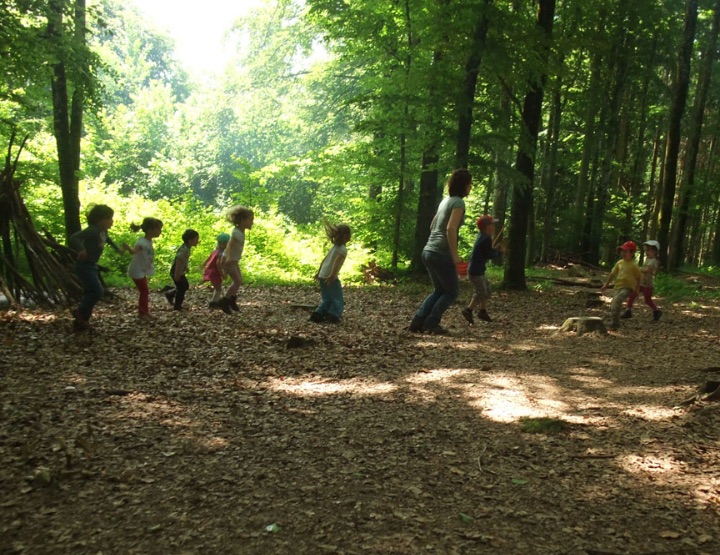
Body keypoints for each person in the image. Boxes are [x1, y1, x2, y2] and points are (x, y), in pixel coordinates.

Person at [409, 168, 472, 334]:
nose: (471, 187)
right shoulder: (458, 203)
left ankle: (418, 321)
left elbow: (432, 225)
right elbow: (451, 229)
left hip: (428, 250)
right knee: (451, 292)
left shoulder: (445, 201)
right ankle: (431, 322)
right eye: (470, 183)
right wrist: (455, 254)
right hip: (441, 253)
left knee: (439, 290)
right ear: (465, 185)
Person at [68, 204, 122, 331]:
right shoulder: (92, 230)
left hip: (91, 265)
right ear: (99, 220)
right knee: (97, 291)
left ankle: (81, 322)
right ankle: (79, 312)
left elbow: (107, 239)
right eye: (109, 218)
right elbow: (74, 237)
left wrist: (117, 248)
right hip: (84, 266)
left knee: (90, 292)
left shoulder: (103, 231)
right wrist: (81, 250)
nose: (111, 221)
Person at [461, 215, 504, 324]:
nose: (494, 226)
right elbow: (489, 255)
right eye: (492, 224)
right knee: (481, 292)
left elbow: (486, 252)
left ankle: (483, 311)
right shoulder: (485, 238)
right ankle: (468, 310)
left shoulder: (483, 236)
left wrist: (495, 249)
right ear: (487, 227)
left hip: (478, 270)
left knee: (487, 290)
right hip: (475, 271)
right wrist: (499, 252)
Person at [310, 223, 351, 324]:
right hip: (330, 276)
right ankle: (333, 315)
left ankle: (318, 314)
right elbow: (336, 262)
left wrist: (318, 273)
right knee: (337, 298)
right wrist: (332, 275)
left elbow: (324, 260)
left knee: (327, 298)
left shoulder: (334, 247)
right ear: (346, 236)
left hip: (323, 275)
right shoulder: (342, 249)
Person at [218, 206, 254, 315]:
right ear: (243, 220)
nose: (252, 223)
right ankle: (225, 301)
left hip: (234, 260)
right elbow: (229, 246)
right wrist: (228, 257)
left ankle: (231, 300)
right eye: (250, 220)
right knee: (237, 281)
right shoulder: (236, 233)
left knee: (239, 281)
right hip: (228, 260)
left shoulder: (240, 232)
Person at [125, 217, 163, 319]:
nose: (160, 231)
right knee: (144, 291)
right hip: (136, 270)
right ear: (151, 230)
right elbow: (133, 251)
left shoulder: (148, 241)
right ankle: (142, 313)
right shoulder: (141, 242)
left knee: (144, 291)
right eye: (158, 229)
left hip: (141, 269)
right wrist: (127, 247)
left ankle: (145, 312)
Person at [600, 240, 642, 330]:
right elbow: (612, 274)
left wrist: (637, 290)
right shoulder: (619, 263)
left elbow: (638, 278)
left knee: (617, 301)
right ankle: (616, 321)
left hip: (627, 288)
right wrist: (606, 285)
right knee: (613, 305)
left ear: (632, 253)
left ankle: (614, 324)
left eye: (626, 251)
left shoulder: (634, 265)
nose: (623, 253)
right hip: (617, 287)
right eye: (622, 251)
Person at [623, 240, 662, 321]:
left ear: (654, 252)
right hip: (640, 282)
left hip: (647, 283)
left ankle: (656, 311)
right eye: (646, 250)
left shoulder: (653, 261)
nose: (647, 252)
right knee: (632, 294)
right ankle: (628, 310)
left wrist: (638, 269)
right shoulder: (648, 259)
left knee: (647, 300)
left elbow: (647, 270)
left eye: (649, 250)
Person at [166, 229, 200, 311]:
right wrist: (177, 274)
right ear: (190, 240)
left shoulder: (187, 248)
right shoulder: (184, 249)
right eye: (196, 239)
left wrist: (186, 266)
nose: (198, 241)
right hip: (176, 272)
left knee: (184, 286)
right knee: (182, 288)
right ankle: (177, 306)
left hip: (180, 271)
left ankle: (170, 294)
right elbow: (179, 260)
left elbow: (184, 260)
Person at [202, 232, 230, 308]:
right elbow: (218, 265)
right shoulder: (221, 254)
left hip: (210, 272)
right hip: (215, 274)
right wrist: (223, 275)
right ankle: (213, 303)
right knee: (218, 289)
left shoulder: (215, 252)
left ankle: (214, 302)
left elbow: (208, 259)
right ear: (224, 244)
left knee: (217, 288)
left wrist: (203, 266)